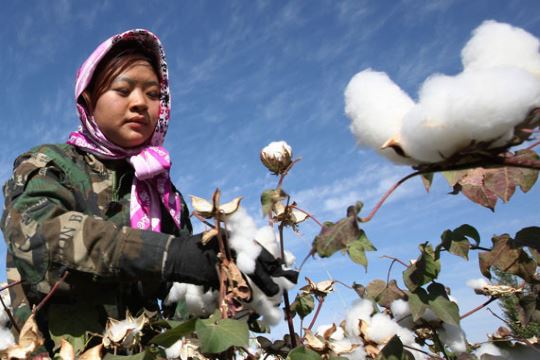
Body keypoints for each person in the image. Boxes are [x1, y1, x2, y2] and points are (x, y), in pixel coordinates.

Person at [1, 29, 297, 355]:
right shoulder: (49, 165)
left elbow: (176, 297)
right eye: (123, 89)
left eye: (154, 94)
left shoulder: (164, 196)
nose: (140, 103)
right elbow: (36, 235)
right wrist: (170, 254)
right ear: (87, 98)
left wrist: (228, 268)